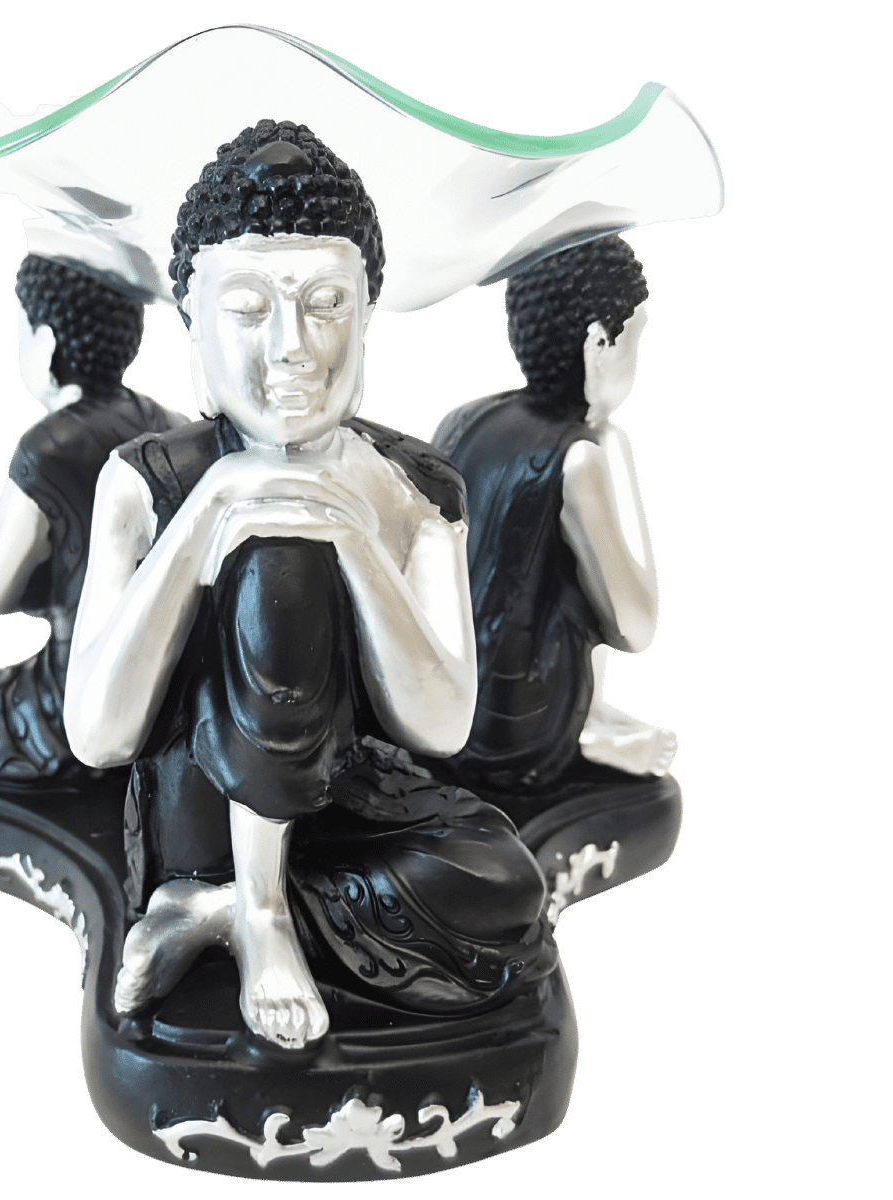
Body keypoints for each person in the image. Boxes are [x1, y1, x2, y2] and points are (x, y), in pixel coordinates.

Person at [63, 121, 553, 1049]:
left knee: (503, 884)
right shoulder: (144, 480)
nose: (292, 347)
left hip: (350, 799)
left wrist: (357, 540)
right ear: (192, 318)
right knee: (275, 559)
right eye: (249, 307)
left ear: (366, 314)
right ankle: (256, 911)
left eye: (325, 303)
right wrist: (212, 510)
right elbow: (99, 733)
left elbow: (441, 727)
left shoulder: (418, 487)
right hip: (199, 804)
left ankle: (216, 912)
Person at [430, 236, 678, 795]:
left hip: (443, 709)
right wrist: (616, 452)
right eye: (635, 338)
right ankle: (579, 732)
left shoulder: (465, 417)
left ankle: (588, 718)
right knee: (583, 579)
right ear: (598, 343)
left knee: (545, 555)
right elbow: (636, 627)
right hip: (510, 729)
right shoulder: (580, 458)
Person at [0, 256, 187, 781]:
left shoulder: (47, 447)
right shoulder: (172, 425)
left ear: (44, 343)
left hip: (75, 685)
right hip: (167, 678)